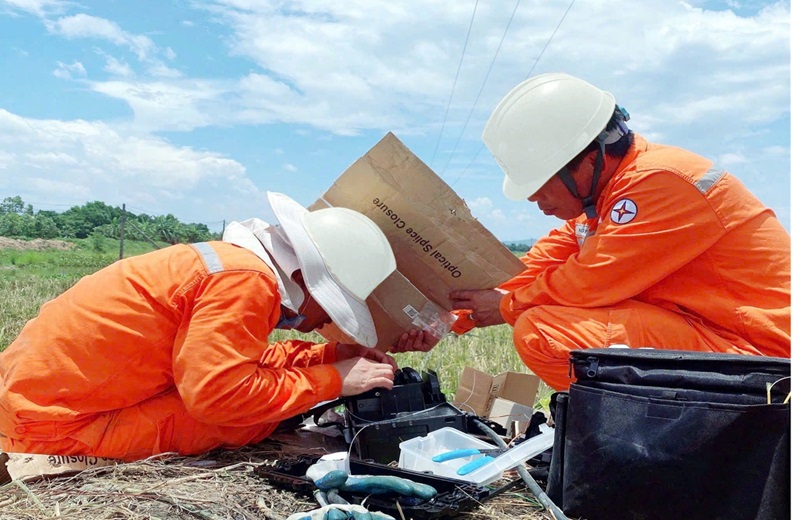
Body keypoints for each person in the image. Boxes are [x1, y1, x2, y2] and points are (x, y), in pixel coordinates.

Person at [0, 192, 424, 462]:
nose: (325, 324)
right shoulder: (246, 283)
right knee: (248, 419)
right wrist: (332, 382)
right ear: (306, 282)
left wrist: (329, 356)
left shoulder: (233, 266)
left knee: (270, 388)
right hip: (49, 426)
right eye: (332, 309)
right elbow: (220, 397)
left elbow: (228, 360)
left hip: (29, 402)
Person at [450, 72, 791, 391]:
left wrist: (507, 307)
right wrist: (452, 315)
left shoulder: (658, 182)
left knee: (541, 330)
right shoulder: (605, 204)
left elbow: (589, 281)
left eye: (539, 182)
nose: (532, 197)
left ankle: (654, 438)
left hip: (766, 357)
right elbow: (529, 269)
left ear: (586, 160)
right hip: (720, 339)